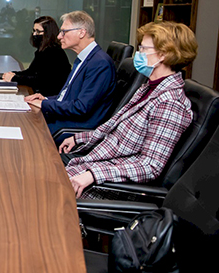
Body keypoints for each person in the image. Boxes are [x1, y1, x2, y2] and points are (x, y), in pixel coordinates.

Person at [59, 22, 198, 199]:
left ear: (163, 55)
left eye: (143, 49)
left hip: (108, 185)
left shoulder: (170, 103)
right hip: (95, 166)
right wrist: (79, 138)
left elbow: (150, 166)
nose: (138, 54)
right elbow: (115, 128)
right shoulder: (149, 88)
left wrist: (92, 175)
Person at [25, 11, 115, 136]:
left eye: (64, 32)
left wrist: (44, 104)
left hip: (71, 128)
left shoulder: (99, 63)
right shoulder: (84, 59)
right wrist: (46, 99)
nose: (59, 36)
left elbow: (81, 108)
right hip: (63, 120)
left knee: (24, 129)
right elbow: (68, 97)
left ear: (81, 33)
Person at [2, 16, 71, 96]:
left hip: (51, 97)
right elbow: (31, 71)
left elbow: (41, 80)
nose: (34, 34)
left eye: (38, 31)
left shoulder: (53, 52)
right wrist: (13, 74)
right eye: (34, 31)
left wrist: (14, 78)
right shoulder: (43, 50)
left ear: (48, 33)